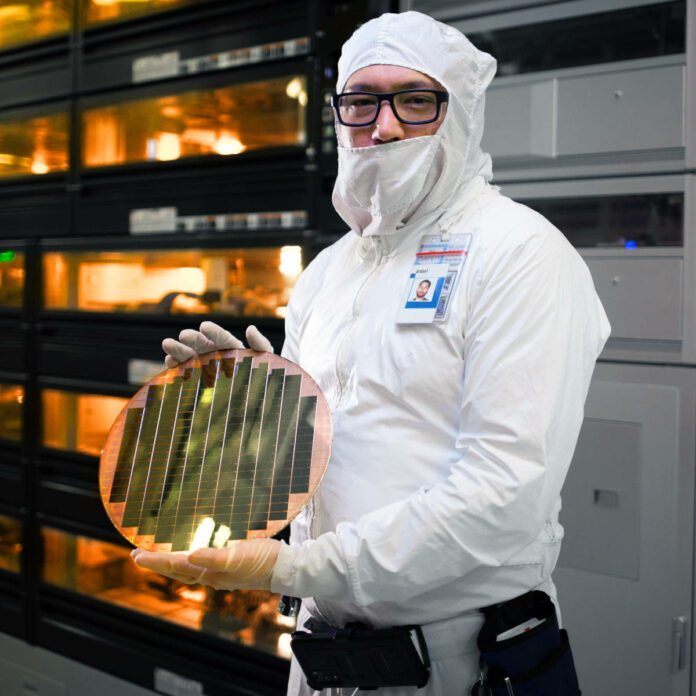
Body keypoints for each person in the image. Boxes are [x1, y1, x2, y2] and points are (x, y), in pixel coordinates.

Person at [132, 11, 610, 695]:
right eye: (360, 103)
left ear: (460, 114)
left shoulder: (520, 254)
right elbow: (309, 463)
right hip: (323, 656)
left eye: (416, 101)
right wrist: (238, 413)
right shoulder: (330, 270)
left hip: (464, 662)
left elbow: (504, 494)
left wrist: (292, 569)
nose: (383, 127)